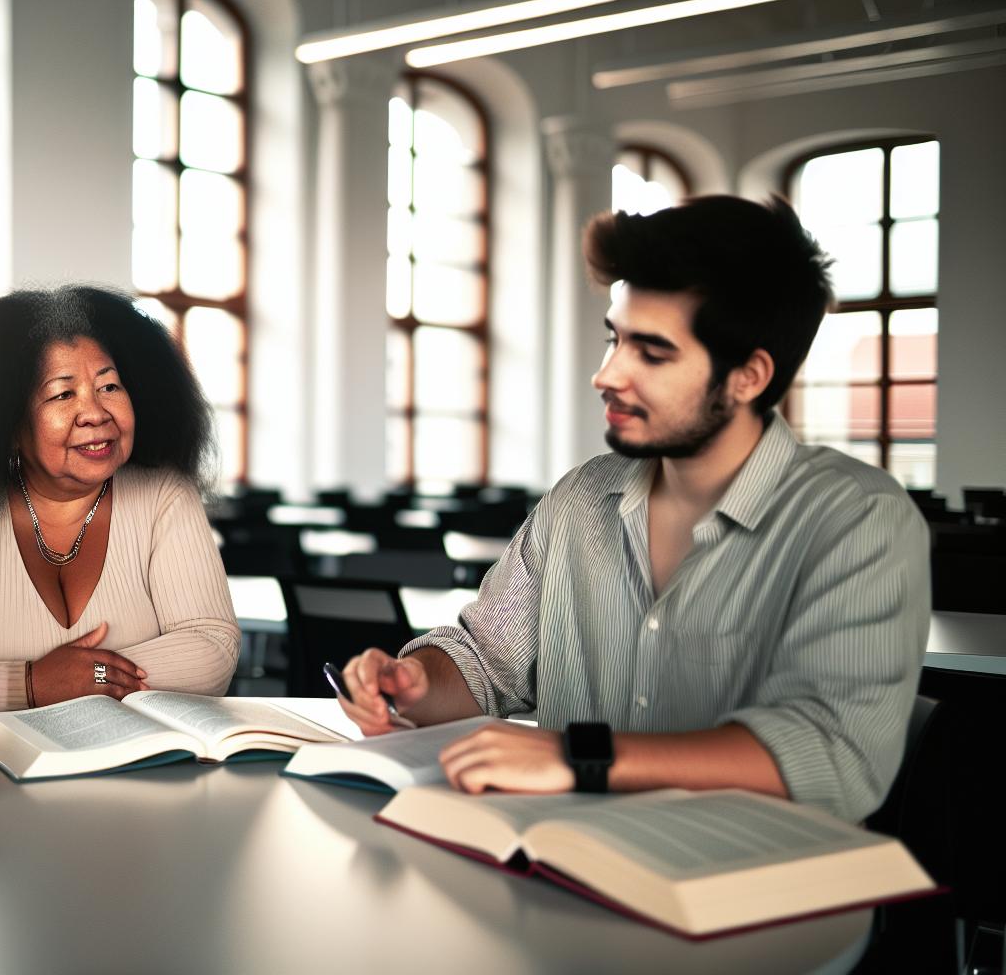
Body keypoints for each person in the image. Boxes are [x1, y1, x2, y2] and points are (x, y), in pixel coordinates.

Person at [340, 196, 929, 821]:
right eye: (614, 339)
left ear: (748, 377)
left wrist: (580, 757)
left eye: (652, 352)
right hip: (564, 854)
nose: (607, 374)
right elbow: (484, 661)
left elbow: (828, 753)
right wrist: (418, 682)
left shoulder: (857, 520)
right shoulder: (579, 501)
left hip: (753, 871)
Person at [0, 285, 240, 725]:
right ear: (8, 421)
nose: (96, 413)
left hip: (135, 761)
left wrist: (90, 676)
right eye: (63, 394)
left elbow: (212, 648)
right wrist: (29, 684)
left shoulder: (165, 494)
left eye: (109, 386)